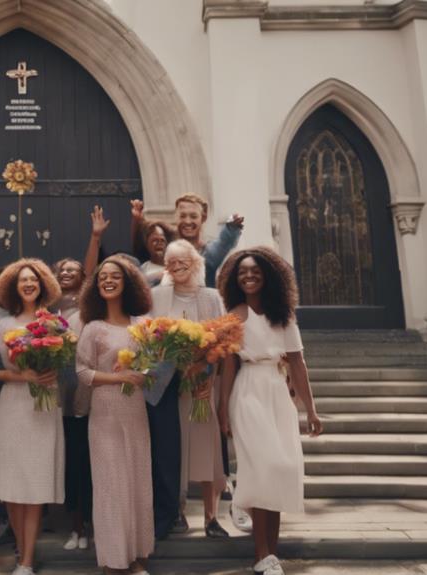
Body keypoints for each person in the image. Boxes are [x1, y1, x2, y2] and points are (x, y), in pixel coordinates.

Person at [217, 247, 323, 575]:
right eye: (243, 272)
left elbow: (297, 362)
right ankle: (261, 553)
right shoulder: (232, 315)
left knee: (279, 470)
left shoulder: (284, 316)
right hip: (247, 390)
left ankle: (269, 555)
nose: (249, 276)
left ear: (269, 277)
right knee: (266, 466)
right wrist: (223, 409)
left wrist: (312, 410)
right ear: (236, 279)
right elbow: (228, 368)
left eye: (256, 272)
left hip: (277, 392)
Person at [76, 255, 155, 574]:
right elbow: (82, 372)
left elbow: (153, 368)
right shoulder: (93, 327)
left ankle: (136, 556)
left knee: (137, 482)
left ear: (128, 284)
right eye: (102, 277)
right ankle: (113, 559)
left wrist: (142, 371)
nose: (108, 280)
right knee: (110, 485)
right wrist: (120, 377)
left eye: (115, 276)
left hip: (135, 412)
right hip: (105, 413)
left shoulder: (142, 325)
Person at [0, 259, 65, 575]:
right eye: (23, 280)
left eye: (34, 279)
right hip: (13, 407)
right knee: (12, 487)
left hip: (43, 408)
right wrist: (26, 377)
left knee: (34, 485)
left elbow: (60, 363)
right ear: (13, 286)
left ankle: (27, 561)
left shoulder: (55, 322)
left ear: (43, 283)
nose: (29, 284)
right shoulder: (2, 325)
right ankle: (22, 551)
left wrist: (48, 373)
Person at [151, 240, 228, 538]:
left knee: (207, 449)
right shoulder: (156, 296)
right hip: (169, 386)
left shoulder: (211, 297)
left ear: (195, 262)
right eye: (171, 262)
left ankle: (211, 517)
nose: (177, 265)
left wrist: (207, 374)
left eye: (184, 260)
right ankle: (177, 511)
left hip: (202, 385)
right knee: (175, 449)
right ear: (165, 266)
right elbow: (150, 337)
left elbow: (222, 343)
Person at [51, 259, 92, 552]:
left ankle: (84, 525)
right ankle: (70, 525)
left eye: (72, 270)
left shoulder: (89, 311)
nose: (66, 273)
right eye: (62, 270)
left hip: (84, 396)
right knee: (63, 464)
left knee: (82, 463)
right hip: (55, 396)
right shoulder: (48, 309)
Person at [130, 195, 243, 288]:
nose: (187, 221)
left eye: (193, 216)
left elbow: (223, 242)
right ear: (176, 217)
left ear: (203, 217)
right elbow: (145, 237)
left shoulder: (209, 254)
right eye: (182, 216)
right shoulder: (167, 246)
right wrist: (138, 219)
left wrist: (232, 227)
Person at [139, 220, 176, 287]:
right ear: (146, 244)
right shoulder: (143, 269)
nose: (159, 243)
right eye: (155, 240)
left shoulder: (176, 265)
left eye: (162, 240)